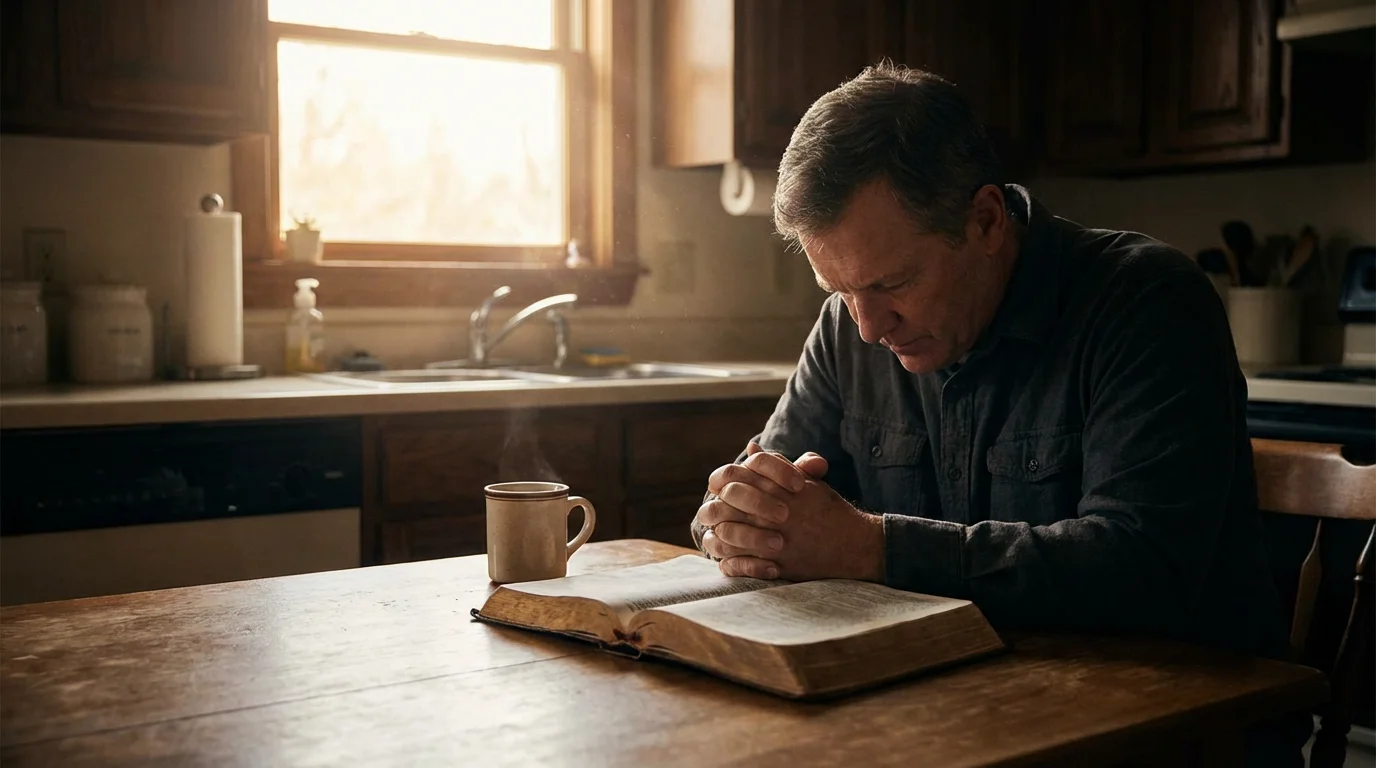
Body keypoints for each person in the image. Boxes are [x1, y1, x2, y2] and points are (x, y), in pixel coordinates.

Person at [689, 63, 1309, 766]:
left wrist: (870, 546)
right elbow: (759, 495)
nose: (867, 327)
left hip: (1176, 736)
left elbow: (1144, 571)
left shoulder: (1146, 302)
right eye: (838, 290)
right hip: (955, 714)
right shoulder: (848, 328)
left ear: (985, 220)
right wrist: (738, 518)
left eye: (891, 283)